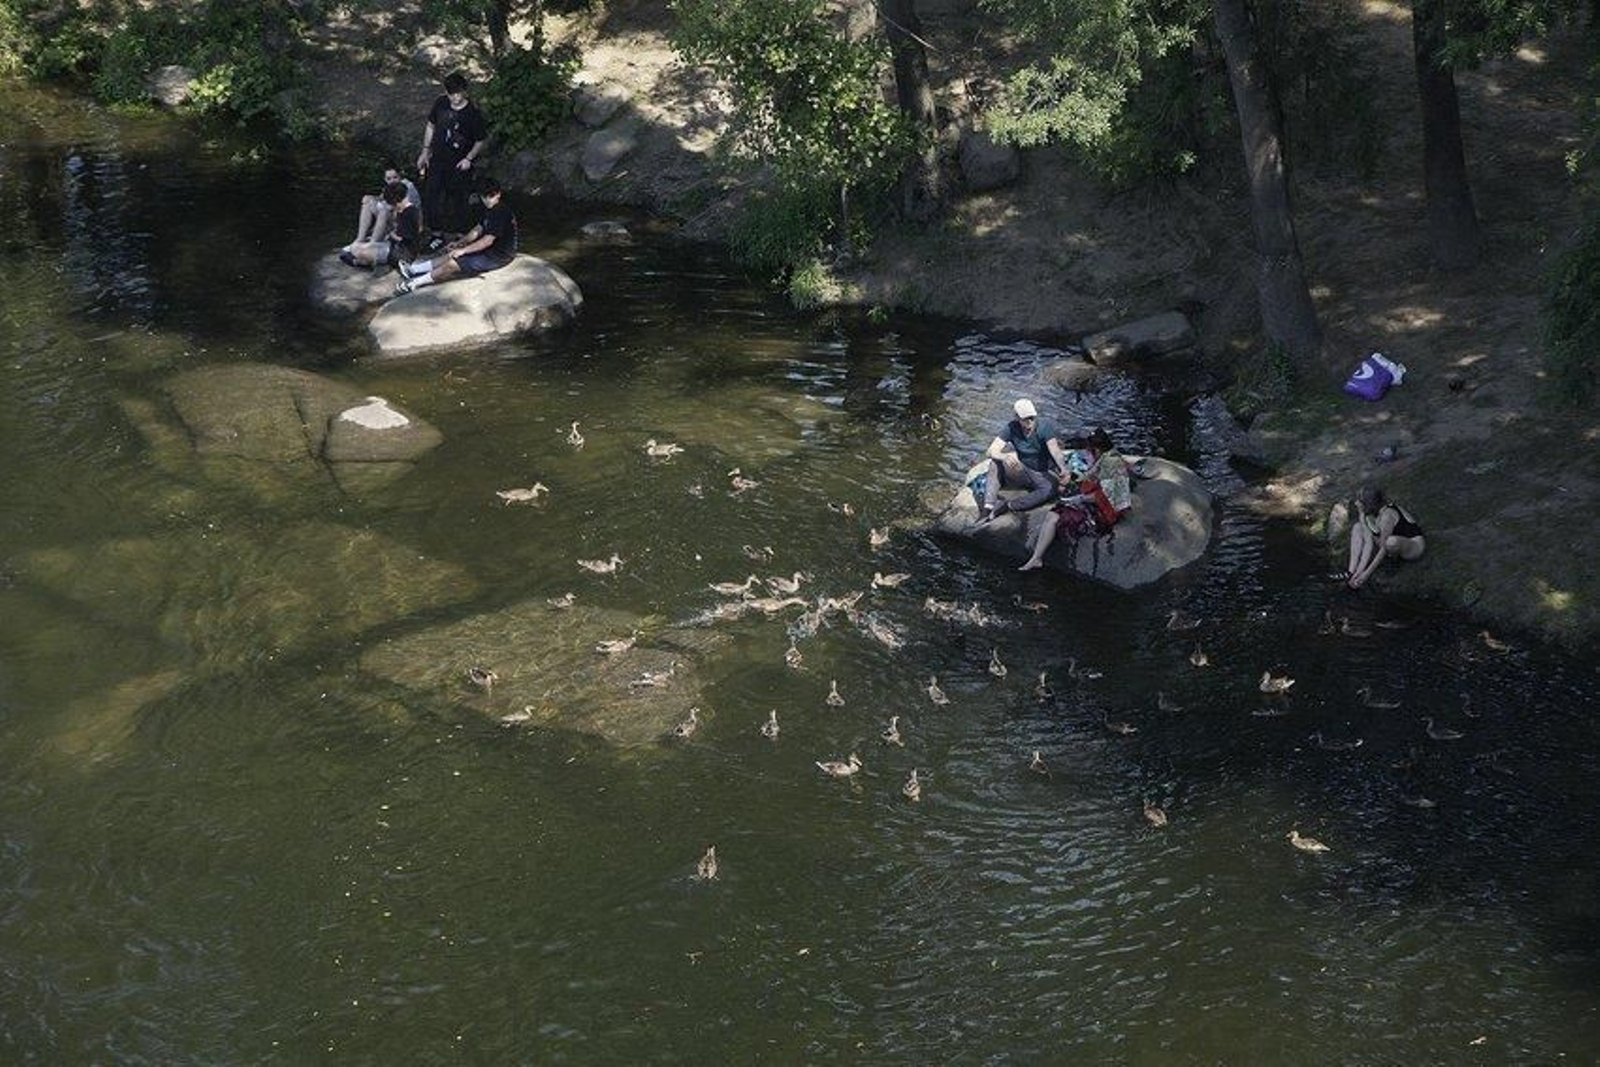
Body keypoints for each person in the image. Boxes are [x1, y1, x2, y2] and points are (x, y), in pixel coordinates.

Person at [1018, 429, 1131, 571]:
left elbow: (1103, 496)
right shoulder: (1112, 456)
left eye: (1090, 449)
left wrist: (1079, 498)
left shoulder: (1109, 464)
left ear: (1096, 449)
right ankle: (1038, 552)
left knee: (1055, 514)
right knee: (1059, 509)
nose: (1088, 452)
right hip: (1105, 506)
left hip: (1104, 513)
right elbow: (1094, 478)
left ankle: (1036, 558)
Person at [393, 177, 517, 294]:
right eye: (484, 196)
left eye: (491, 195)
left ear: (498, 194)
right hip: (490, 250)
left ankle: (414, 283)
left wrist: (463, 250)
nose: (487, 199)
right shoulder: (490, 209)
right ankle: (414, 270)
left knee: (453, 264)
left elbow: (487, 241)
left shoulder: (500, 212)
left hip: (499, 256)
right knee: (451, 253)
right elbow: (478, 229)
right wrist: (460, 243)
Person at [416, 71, 489, 237]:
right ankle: (434, 232)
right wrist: (425, 151)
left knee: (458, 198)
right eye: (451, 94)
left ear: (464, 91)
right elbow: (430, 126)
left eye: (458, 93)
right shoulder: (441, 103)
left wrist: (468, 158)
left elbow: (480, 140)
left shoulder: (473, 113)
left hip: (459, 162)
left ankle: (459, 233)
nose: (455, 97)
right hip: (438, 159)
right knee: (432, 194)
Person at [977, 398, 1069, 522]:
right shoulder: (1011, 427)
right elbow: (991, 451)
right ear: (1017, 418)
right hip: (1022, 468)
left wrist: (1063, 468)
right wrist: (1004, 456)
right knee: (995, 463)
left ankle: (1009, 506)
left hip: (1042, 472)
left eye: (1032, 417)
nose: (1030, 421)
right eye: (1025, 418)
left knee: (1050, 490)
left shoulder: (1045, 427)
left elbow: (1055, 451)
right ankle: (987, 508)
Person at [1338, 485, 1424, 589]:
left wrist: (1365, 575)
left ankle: (1393, 560)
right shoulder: (1370, 513)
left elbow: (1383, 547)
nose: (1356, 503)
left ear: (1369, 504)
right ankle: (1350, 572)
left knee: (1390, 542)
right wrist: (1359, 571)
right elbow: (1368, 542)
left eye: (1360, 501)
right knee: (1357, 527)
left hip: (1413, 547)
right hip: (1388, 540)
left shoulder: (1387, 516)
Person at [342, 164, 422, 256]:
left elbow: (404, 209)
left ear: (400, 177)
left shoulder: (407, 187)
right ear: (385, 179)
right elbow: (383, 200)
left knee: (384, 211)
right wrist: (370, 198)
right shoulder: (389, 188)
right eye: (389, 179)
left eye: (395, 177)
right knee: (368, 202)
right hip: (395, 218)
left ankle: (372, 244)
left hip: (407, 224)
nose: (392, 181)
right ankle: (359, 240)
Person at [342, 181, 421, 273]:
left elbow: (403, 238)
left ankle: (360, 262)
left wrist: (391, 234)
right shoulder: (406, 210)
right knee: (358, 248)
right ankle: (365, 259)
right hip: (394, 248)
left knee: (356, 250)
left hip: (401, 254)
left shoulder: (408, 213)